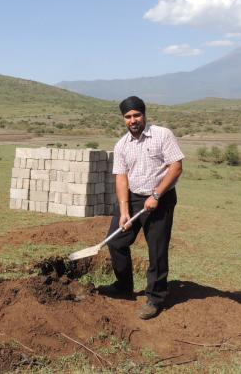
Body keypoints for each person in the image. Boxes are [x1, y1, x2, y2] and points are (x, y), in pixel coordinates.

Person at [98, 96, 184, 320]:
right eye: (128, 117)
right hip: (134, 199)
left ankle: (155, 298)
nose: (132, 120)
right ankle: (123, 286)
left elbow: (176, 167)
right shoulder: (121, 145)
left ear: (144, 115)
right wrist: (124, 210)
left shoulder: (162, 135)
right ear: (123, 119)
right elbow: (121, 178)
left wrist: (156, 194)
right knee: (116, 241)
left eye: (136, 115)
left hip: (161, 199)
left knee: (156, 249)